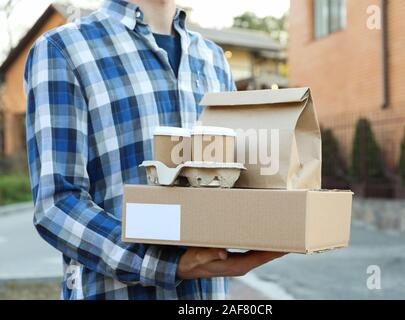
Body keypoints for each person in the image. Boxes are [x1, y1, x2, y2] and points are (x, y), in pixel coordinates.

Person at [24, 0, 284, 300]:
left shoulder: (213, 59)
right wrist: (166, 264)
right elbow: (57, 204)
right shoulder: (63, 48)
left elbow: (228, 185)